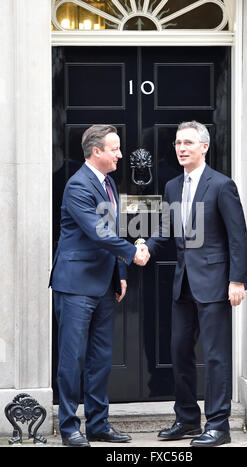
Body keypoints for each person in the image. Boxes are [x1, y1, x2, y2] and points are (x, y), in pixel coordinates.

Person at [144, 121, 247, 447]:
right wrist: (144, 248)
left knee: (216, 356)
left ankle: (218, 425)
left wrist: (237, 280)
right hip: (183, 284)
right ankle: (188, 418)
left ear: (204, 147)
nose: (181, 148)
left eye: (189, 142)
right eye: (178, 143)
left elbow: (238, 237)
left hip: (216, 284)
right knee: (179, 351)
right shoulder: (173, 186)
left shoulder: (222, 185)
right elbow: (165, 227)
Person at [49, 124, 149, 447]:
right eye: (115, 148)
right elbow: (99, 233)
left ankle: (98, 424)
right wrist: (132, 253)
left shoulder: (109, 185)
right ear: (96, 152)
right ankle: (68, 428)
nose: (121, 154)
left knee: (100, 358)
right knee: (72, 359)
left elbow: (112, 228)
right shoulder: (77, 186)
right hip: (76, 285)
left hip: (105, 285)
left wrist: (120, 272)